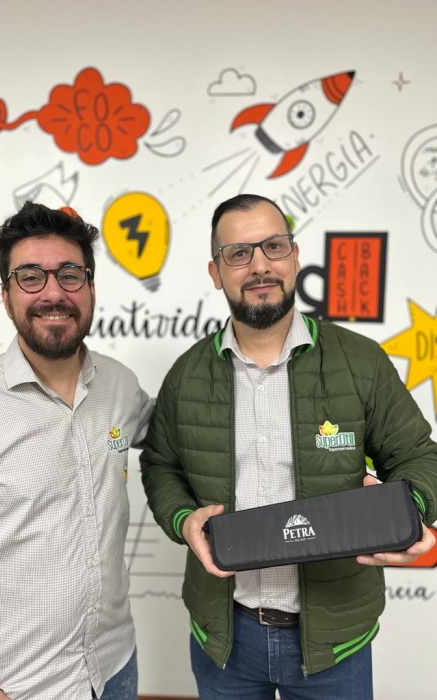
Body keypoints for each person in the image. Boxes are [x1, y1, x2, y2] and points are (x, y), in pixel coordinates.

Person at [140, 193, 437, 700]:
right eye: (238, 253)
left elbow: (418, 455)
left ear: (295, 257)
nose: (259, 265)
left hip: (334, 644)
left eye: (273, 246)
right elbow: (160, 464)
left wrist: (407, 513)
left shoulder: (360, 362)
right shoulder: (186, 375)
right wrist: (183, 519)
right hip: (225, 641)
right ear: (215, 272)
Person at [0, 202, 152, 700]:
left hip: (115, 668)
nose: (53, 293)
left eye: (70, 274)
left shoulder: (121, 387)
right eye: (30, 277)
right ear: (6, 296)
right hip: (15, 685)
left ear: (90, 288)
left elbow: (181, 436)